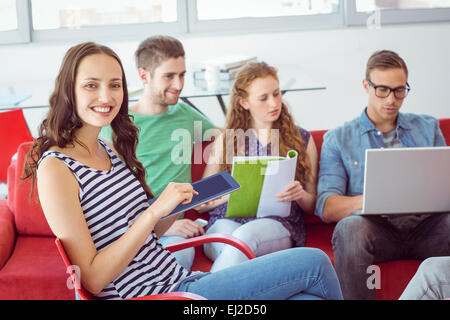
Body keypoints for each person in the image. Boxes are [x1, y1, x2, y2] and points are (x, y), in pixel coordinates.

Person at [23, 41, 343, 300]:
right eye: (91, 85)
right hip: (172, 295)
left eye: (115, 85)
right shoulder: (56, 168)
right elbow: (91, 279)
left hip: (180, 281)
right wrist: (153, 211)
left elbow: (142, 233)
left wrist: (177, 207)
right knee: (314, 263)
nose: (106, 97)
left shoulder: (106, 148)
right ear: (69, 89)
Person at [315, 50, 450, 300]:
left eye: (399, 90)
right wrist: (375, 199)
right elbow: (327, 206)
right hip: (377, 232)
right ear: (366, 85)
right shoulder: (338, 139)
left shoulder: (428, 127)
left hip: (427, 229)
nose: (391, 99)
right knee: (350, 229)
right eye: (382, 90)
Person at [100, 35, 216, 269]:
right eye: (169, 76)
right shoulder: (115, 125)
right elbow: (110, 199)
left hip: (174, 234)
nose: (178, 85)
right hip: (130, 232)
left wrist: (207, 188)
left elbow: (223, 137)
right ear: (144, 76)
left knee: (175, 266)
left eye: (182, 74)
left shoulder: (184, 113)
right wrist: (163, 225)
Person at [197, 62, 318, 272]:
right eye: (263, 98)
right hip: (226, 221)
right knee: (233, 242)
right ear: (244, 102)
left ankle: (205, 295)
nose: (274, 103)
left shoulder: (302, 139)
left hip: (277, 225)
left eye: (277, 94)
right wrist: (231, 194)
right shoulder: (227, 141)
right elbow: (199, 202)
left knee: (244, 238)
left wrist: (298, 194)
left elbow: (312, 204)